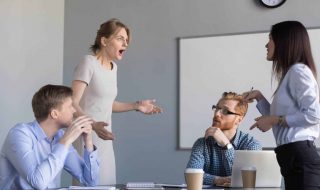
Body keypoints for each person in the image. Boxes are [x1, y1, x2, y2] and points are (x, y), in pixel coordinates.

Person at [72, 18, 162, 185]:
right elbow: (72, 103)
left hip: (105, 138)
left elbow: (106, 104)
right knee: (89, 185)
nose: (125, 44)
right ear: (104, 40)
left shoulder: (114, 68)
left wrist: (136, 106)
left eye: (127, 40)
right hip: (86, 136)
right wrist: (92, 125)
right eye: (120, 38)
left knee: (107, 184)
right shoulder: (88, 62)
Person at [243, 21, 320, 190]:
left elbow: (314, 115)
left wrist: (274, 120)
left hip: (299, 157)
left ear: (284, 42)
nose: (266, 44)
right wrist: (259, 97)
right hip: (291, 157)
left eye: (270, 38)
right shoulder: (290, 74)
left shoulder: (298, 71)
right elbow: (277, 118)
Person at [0, 84, 99, 190]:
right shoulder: (20, 134)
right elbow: (38, 182)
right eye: (70, 106)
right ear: (54, 114)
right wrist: (65, 141)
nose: (74, 111)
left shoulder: (60, 137)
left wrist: (88, 141)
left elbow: (90, 181)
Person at [186, 92, 261, 186]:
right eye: (216, 108)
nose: (217, 114)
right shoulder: (202, 143)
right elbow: (192, 175)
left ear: (239, 119)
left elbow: (245, 180)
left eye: (225, 111)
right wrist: (218, 180)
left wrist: (226, 145)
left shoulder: (251, 144)